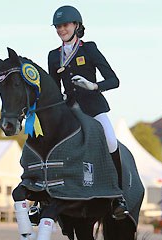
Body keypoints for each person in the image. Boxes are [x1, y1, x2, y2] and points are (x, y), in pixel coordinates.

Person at [48, 5, 128, 220]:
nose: (61, 29)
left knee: (111, 139)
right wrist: (59, 98)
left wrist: (94, 86)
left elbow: (114, 80)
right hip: (69, 110)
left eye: (65, 25)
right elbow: (55, 88)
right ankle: (43, 196)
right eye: (57, 26)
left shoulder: (89, 48)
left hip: (93, 106)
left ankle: (119, 196)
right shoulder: (53, 56)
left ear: (76, 26)